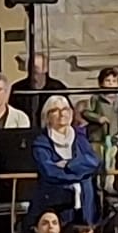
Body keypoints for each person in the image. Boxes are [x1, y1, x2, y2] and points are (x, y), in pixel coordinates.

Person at [29, 96, 102, 225]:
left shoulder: (80, 139)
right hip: (55, 200)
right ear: (47, 116)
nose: (62, 114)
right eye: (55, 110)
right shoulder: (41, 142)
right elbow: (50, 172)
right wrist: (80, 174)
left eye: (65, 109)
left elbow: (93, 162)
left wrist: (69, 165)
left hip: (85, 199)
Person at [79, 67, 118, 170]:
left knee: (110, 163)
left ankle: (108, 183)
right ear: (101, 82)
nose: (111, 83)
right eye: (108, 80)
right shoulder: (96, 98)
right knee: (98, 162)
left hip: (113, 138)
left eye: (114, 81)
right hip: (98, 137)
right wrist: (98, 118)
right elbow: (86, 112)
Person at [10, 53, 70, 127]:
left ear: (45, 68)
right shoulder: (18, 88)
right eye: (30, 67)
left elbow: (66, 111)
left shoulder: (57, 88)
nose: (32, 70)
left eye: (35, 67)